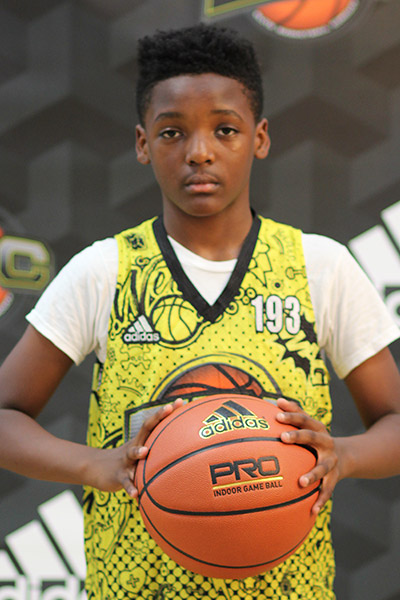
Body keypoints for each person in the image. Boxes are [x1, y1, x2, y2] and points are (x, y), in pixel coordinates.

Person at [0, 23, 400, 600]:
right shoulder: (105, 271)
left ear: (260, 138)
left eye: (225, 129)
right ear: (143, 144)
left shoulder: (320, 267)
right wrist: (95, 465)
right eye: (172, 132)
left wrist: (346, 455)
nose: (199, 152)